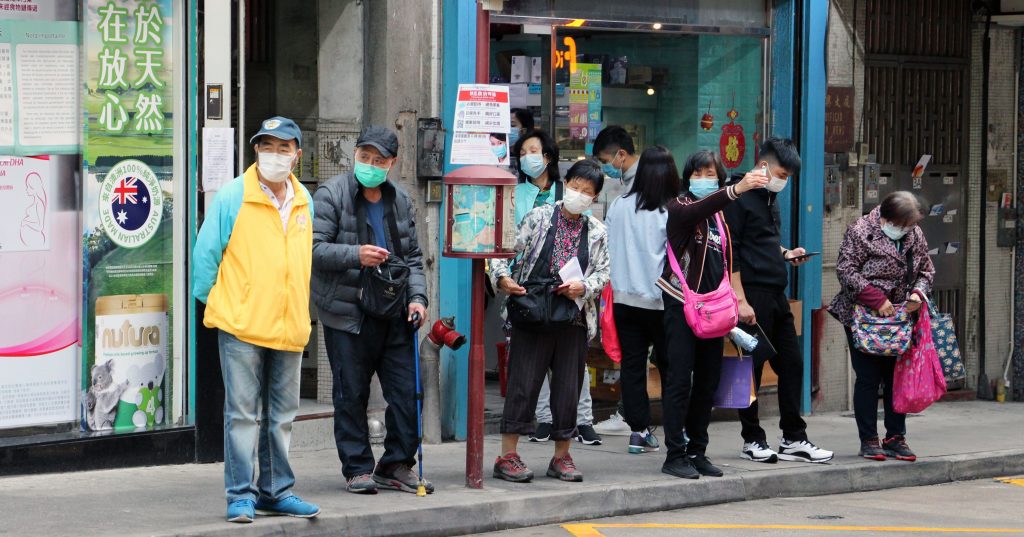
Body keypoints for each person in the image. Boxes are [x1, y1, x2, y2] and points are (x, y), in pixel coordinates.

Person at [193, 116, 321, 523]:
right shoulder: (234, 195)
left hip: (288, 325)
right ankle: (240, 495)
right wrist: (221, 302)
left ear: (297, 156)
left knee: (281, 416)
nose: (275, 154)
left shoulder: (304, 200)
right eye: (268, 146)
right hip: (242, 325)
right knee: (243, 415)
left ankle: (276, 491)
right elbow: (204, 257)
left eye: (284, 148)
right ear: (256, 151)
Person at [310, 125, 431, 495]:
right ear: (355, 155)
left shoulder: (402, 200)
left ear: (391, 164)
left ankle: (395, 463)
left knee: (409, 392)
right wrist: (356, 255)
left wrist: (418, 299)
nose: (370, 165)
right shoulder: (332, 194)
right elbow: (312, 250)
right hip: (348, 311)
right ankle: (358, 468)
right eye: (364, 157)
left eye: (378, 160)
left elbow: (412, 257)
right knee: (351, 394)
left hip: (395, 310)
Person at [490, 159, 610, 483]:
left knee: (568, 389)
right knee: (522, 384)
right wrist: (503, 280)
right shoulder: (539, 217)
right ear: (565, 182)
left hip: (572, 316)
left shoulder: (597, 231)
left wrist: (584, 287)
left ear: (595, 198)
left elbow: (603, 272)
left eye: (587, 192)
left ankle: (561, 457)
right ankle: (507, 456)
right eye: (575, 186)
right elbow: (505, 253)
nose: (579, 195)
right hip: (531, 311)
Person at [655, 148, 768, 479]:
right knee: (679, 381)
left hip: (713, 310)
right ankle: (674, 454)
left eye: (711, 174)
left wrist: (737, 301)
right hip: (681, 305)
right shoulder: (679, 208)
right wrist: (737, 189)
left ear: (719, 177)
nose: (704, 180)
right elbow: (705, 205)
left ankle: (697, 451)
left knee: (707, 382)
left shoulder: (721, 218)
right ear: (687, 177)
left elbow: (728, 263)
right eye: (698, 173)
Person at [724, 137, 834, 464]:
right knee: (751, 371)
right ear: (763, 166)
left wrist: (787, 254)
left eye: (787, 176)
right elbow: (733, 253)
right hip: (752, 295)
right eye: (781, 173)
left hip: (776, 293)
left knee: (792, 364)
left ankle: (793, 437)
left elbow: (765, 241)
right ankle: (752, 439)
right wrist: (740, 301)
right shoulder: (738, 196)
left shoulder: (769, 197)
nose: (783, 181)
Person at [829, 191, 934, 462]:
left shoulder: (914, 234)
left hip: (899, 318)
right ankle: (869, 439)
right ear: (887, 218)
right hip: (863, 316)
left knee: (895, 378)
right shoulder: (861, 231)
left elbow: (926, 271)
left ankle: (895, 436)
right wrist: (876, 299)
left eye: (911, 225)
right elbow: (845, 270)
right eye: (903, 225)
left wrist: (917, 294)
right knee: (868, 377)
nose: (908, 230)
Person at [511, 130, 601, 446]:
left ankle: (582, 421)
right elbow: (511, 242)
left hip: (570, 290)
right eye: (522, 152)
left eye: (533, 150)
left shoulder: (570, 195)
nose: (527, 157)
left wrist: (585, 285)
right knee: (531, 364)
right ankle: (544, 421)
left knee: (570, 366)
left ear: (548, 156)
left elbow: (593, 250)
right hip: (528, 288)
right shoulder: (518, 194)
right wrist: (503, 276)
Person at [603, 145, 676, 455]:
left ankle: (638, 431)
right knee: (672, 367)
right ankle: (677, 431)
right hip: (662, 301)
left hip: (624, 299)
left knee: (633, 366)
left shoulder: (619, 205)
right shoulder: (670, 209)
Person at [592, 125, 640, 219]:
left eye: (605, 161)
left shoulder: (641, 183)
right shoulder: (629, 179)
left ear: (621, 155)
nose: (603, 167)